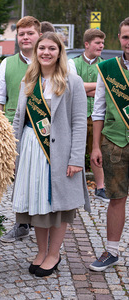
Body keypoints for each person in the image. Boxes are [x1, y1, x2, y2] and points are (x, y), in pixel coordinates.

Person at [12, 32, 90, 277]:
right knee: (36, 204)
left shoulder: (72, 81)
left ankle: (54, 254)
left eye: (51, 48)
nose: (46, 52)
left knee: (57, 207)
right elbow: (18, 119)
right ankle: (40, 252)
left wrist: (76, 159)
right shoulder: (29, 80)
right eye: (41, 48)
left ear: (59, 52)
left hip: (58, 153)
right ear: (36, 52)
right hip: (30, 150)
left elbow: (79, 122)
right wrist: (13, 154)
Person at [0, 16, 41, 243]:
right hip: (15, 129)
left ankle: (43, 227)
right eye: (21, 34)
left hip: (44, 131)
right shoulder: (7, 64)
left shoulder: (52, 60)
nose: (25, 37)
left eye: (30, 33)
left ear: (39, 34)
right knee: (19, 179)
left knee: (42, 179)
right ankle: (22, 225)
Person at [89, 17, 129, 272]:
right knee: (116, 198)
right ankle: (112, 251)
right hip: (115, 142)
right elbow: (99, 109)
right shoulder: (109, 69)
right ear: (120, 38)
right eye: (126, 37)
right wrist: (95, 146)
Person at [69, 28, 108, 202]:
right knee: (74, 151)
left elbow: (107, 90)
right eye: (97, 43)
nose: (101, 46)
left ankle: (100, 187)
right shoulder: (73, 63)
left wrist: (85, 88)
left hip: (97, 116)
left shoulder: (106, 65)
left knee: (96, 150)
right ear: (87, 44)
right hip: (77, 115)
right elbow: (72, 86)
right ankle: (73, 187)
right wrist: (97, 86)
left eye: (102, 43)